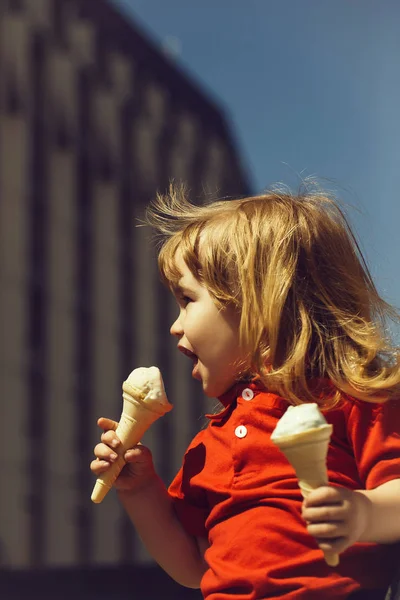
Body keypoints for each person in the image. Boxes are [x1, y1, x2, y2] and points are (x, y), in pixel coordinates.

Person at [91, 184, 400, 599]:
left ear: (258, 303)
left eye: (187, 300)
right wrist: (141, 491)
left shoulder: (353, 398)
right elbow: (193, 565)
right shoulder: (209, 443)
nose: (175, 326)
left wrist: (363, 514)